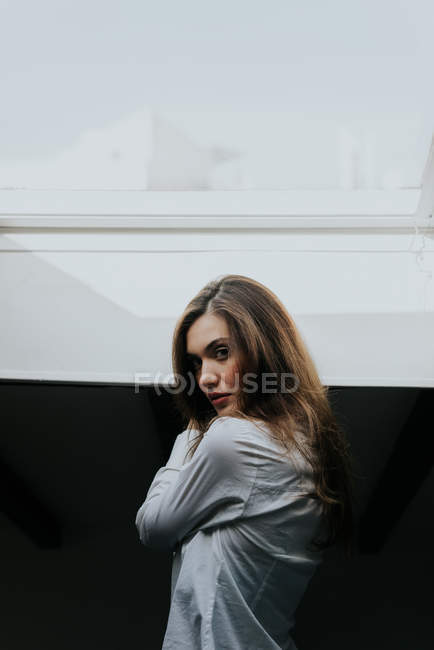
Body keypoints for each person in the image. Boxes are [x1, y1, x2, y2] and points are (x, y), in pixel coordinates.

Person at [135, 274, 355, 649]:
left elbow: (152, 527)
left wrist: (191, 433)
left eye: (221, 352)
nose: (204, 378)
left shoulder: (233, 439)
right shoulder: (306, 445)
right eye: (196, 362)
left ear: (264, 349)